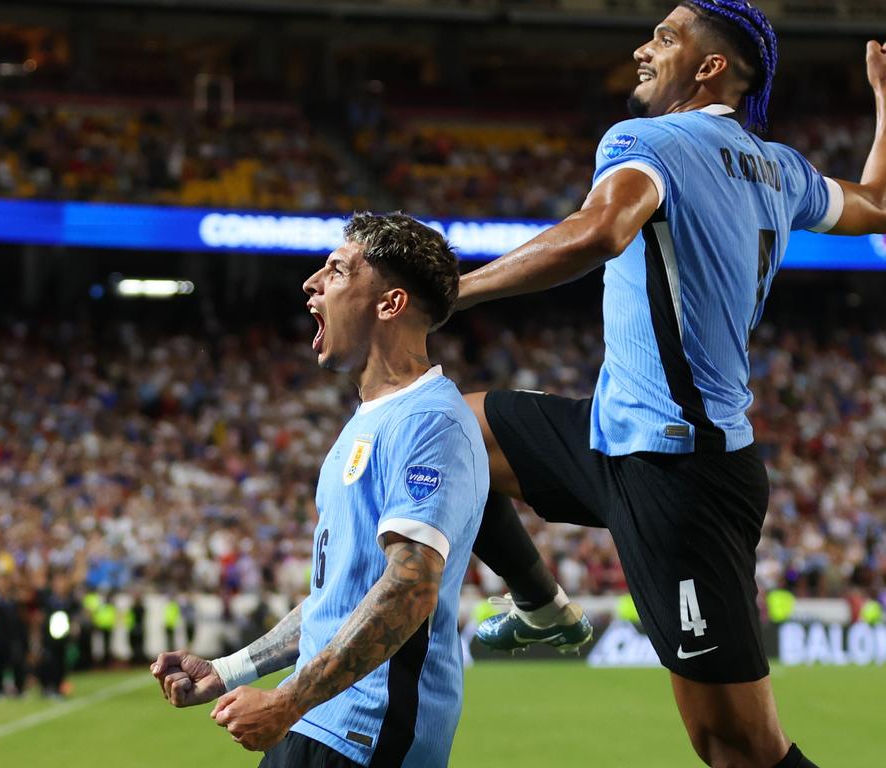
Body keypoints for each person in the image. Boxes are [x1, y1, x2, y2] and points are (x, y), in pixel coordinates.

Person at [452, 3, 886, 767]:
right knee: (449, 431)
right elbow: (880, 204)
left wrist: (457, 293)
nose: (642, 50)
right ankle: (542, 610)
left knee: (738, 750)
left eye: (663, 37)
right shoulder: (781, 168)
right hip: (619, 439)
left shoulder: (646, 141)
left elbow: (601, 230)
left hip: (683, 476)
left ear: (709, 66)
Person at [152, 212, 488, 768]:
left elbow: (410, 589)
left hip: (364, 733)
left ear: (390, 304)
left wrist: (286, 702)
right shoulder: (365, 424)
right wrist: (228, 671)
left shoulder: (432, 421)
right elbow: (337, 597)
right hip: (322, 722)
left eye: (336, 270)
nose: (311, 283)